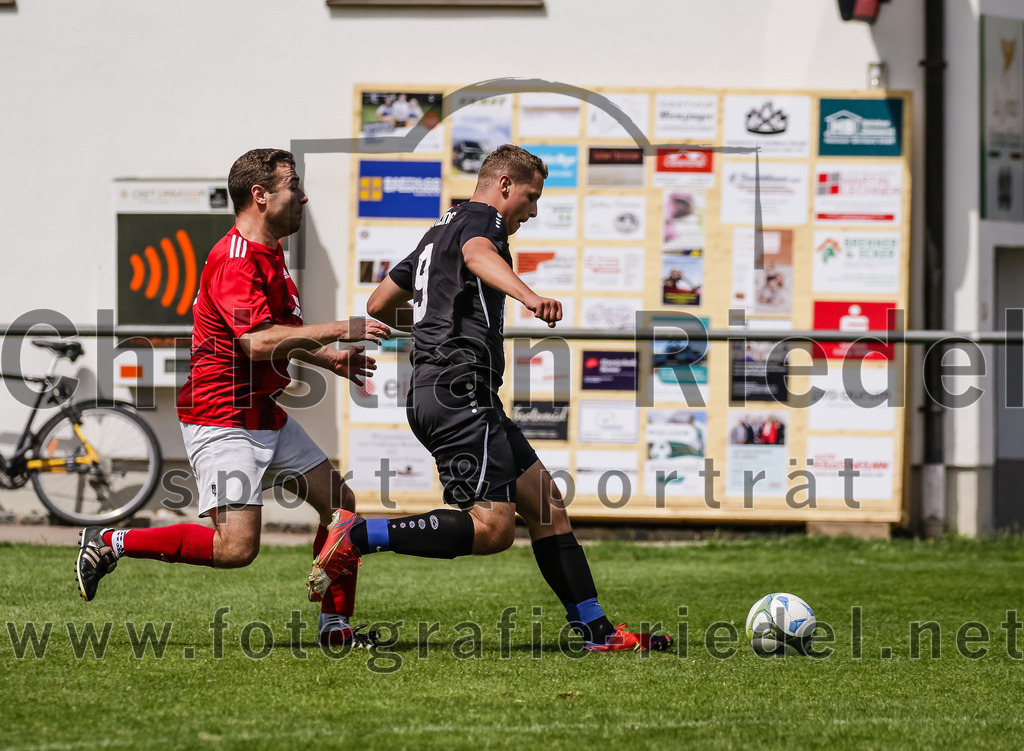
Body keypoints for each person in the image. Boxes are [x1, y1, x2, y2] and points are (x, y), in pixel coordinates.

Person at [312, 144, 671, 652]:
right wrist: (529, 296)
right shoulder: (483, 222)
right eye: (531, 196)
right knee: (494, 529)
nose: (534, 210)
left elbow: (378, 303)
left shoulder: (440, 228)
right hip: (459, 393)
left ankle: (597, 631)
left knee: (545, 505)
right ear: (504, 185)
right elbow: (477, 255)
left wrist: (434, 333)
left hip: (450, 390)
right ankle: (358, 538)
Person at [75, 148, 391, 647]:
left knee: (341, 507)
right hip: (221, 416)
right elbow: (256, 340)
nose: (304, 195)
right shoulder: (235, 260)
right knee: (236, 548)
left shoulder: (270, 251)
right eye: (293, 185)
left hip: (262, 410)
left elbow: (276, 334)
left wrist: (329, 359)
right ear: (260, 195)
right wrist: (341, 329)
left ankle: (336, 629)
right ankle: (111, 541)